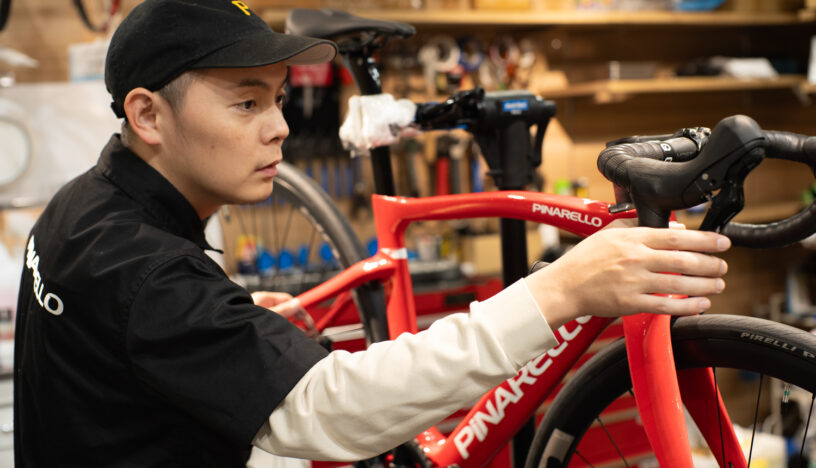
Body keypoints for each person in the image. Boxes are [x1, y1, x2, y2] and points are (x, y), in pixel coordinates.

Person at [13, 0, 731, 466]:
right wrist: (561, 289)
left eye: (279, 99)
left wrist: (222, 330)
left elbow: (120, 355)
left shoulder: (80, 211)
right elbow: (328, 410)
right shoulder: (143, 271)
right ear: (148, 115)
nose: (280, 127)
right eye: (246, 103)